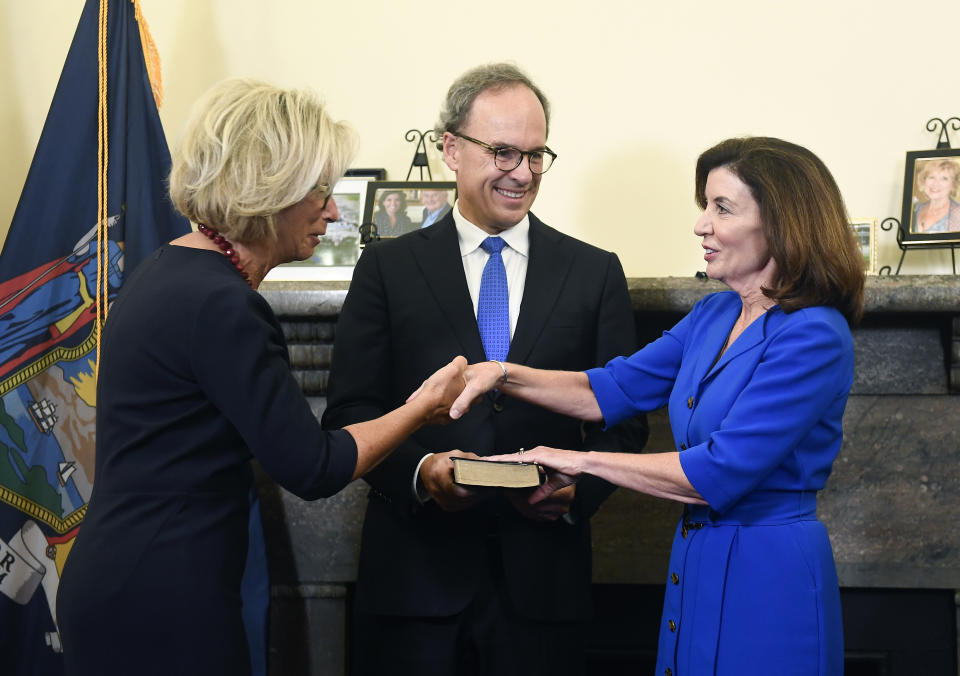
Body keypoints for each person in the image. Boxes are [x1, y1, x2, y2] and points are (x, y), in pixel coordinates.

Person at [55, 78, 466, 676]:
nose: (332, 209)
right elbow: (314, 468)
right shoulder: (223, 305)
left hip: (125, 580)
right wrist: (421, 407)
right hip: (161, 599)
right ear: (268, 187)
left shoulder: (168, 271)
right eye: (319, 191)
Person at [451, 136, 865, 675]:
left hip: (770, 576)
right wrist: (499, 374)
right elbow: (606, 389)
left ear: (782, 223)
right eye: (704, 206)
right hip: (697, 559)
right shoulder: (713, 316)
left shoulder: (815, 336)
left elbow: (715, 473)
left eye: (721, 208)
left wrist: (577, 460)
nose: (701, 225)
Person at [322, 63, 647, 676]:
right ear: (450, 148)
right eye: (502, 152)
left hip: (545, 589)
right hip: (415, 586)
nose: (521, 173)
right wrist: (423, 471)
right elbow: (350, 412)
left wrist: (578, 493)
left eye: (535, 155)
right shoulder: (386, 269)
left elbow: (622, 419)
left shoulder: (594, 272)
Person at [911, 158, 960, 233]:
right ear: (924, 180)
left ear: (953, 185)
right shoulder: (917, 209)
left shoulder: (957, 213)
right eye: (932, 177)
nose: (935, 184)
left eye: (944, 179)